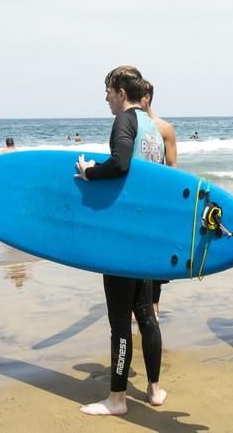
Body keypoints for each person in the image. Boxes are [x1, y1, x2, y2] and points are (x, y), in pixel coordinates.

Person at [75, 65, 166, 415]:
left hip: (123, 238)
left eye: (108, 91)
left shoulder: (125, 120)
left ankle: (116, 400)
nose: (106, 98)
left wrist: (90, 172)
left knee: (119, 322)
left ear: (120, 92)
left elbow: (122, 163)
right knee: (146, 314)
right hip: (147, 237)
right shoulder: (153, 129)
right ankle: (155, 389)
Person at [141, 79, 177, 319]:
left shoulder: (164, 128)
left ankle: (153, 304)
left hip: (157, 199)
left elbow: (173, 167)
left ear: (146, 97)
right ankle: (140, 302)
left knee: (155, 251)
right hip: (136, 198)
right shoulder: (128, 126)